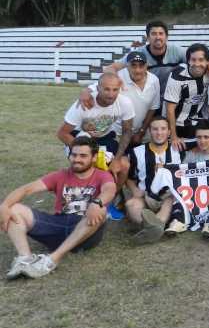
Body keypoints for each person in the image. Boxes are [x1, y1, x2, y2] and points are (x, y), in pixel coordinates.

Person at [1, 136, 115, 280]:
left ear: (94, 158)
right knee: (13, 208)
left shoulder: (103, 175)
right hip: (58, 226)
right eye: (74, 155)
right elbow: (26, 189)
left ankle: (51, 260)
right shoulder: (61, 175)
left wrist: (97, 202)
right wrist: (4, 206)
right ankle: (25, 259)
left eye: (83, 156)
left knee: (101, 210)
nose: (77, 159)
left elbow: (109, 190)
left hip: (85, 233)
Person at [57, 72, 134, 197]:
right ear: (98, 88)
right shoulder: (84, 103)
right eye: (107, 89)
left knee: (124, 165)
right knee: (87, 164)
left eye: (115, 90)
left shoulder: (125, 103)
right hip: (80, 138)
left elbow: (127, 131)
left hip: (104, 137)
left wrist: (116, 159)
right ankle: (79, 194)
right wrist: (88, 152)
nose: (111, 94)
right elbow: (62, 133)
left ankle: (111, 198)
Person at [125, 116, 181, 243]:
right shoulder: (136, 152)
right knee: (131, 204)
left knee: (170, 200)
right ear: (149, 131)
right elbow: (129, 178)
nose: (159, 133)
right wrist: (134, 190)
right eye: (155, 129)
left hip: (168, 197)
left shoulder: (178, 150)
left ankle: (154, 226)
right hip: (146, 196)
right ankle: (156, 227)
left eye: (163, 129)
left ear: (169, 132)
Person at [105, 20, 187, 99]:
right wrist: (116, 81)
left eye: (161, 33)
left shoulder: (177, 50)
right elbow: (110, 68)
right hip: (148, 95)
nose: (158, 37)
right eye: (154, 34)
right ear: (148, 38)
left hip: (171, 95)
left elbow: (193, 62)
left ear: (166, 37)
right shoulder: (138, 53)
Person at [163, 43, 209, 149]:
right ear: (188, 61)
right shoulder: (177, 75)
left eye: (201, 60)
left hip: (196, 122)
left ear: (208, 62)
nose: (197, 64)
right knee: (177, 150)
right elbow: (170, 109)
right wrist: (173, 136)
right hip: (175, 123)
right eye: (193, 60)